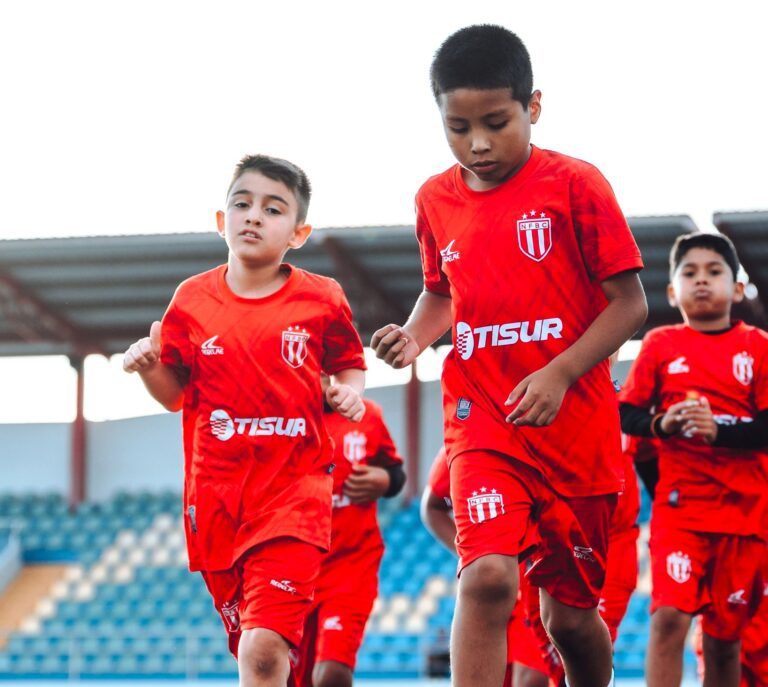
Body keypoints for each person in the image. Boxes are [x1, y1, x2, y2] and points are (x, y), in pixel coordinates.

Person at [372, 24, 647, 687]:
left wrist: (560, 371)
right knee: (488, 577)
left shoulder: (576, 186)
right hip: (484, 420)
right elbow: (442, 293)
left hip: (574, 431)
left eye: (496, 122)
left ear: (534, 107)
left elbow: (630, 304)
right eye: (458, 126)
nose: (478, 143)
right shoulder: (434, 200)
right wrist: (414, 335)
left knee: (571, 620)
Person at [123, 154, 367, 687]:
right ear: (221, 220)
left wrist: (350, 397)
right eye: (243, 204)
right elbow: (174, 395)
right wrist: (147, 369)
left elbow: (349, 364)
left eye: (273, 208)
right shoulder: (190, 301)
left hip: (294, 498)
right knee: (260, 657)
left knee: (261, 649)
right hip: (216, 505)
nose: (254, 216)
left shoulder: (322, 299)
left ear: (298, 233)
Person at [618, 232, 768, 687]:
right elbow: (627, 413)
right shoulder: (660, 344)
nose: (701, 281)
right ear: (672, 291)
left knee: (725, 641)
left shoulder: (758, 347)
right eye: (689, 273)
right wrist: (663, 424)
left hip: (746, 518)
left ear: (737, 289)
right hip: (681, 514)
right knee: (668, 621)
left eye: (714, 271)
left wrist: (718, 430)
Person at [421, 447, 562, 687]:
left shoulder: (548, 433)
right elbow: (432, 506)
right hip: (492, 586)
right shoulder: (469, 436)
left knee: (532, 678)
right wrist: (475, 555)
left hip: (537, 581)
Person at [296, 384, 405, 687]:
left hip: (351, 566)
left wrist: (386, 480)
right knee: (289, 675)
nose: (324, 379)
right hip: (296, 568)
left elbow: (395, 472)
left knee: (330, 673)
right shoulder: (284, 419)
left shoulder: (367, 415)